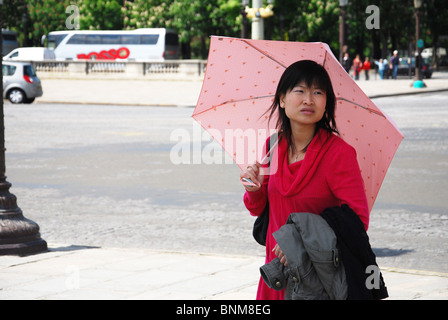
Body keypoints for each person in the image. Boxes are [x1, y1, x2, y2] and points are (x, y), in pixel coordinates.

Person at [239, 60, 370, 300]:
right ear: (282, 99)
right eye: (299, 90)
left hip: (315, 278)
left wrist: (298, 239)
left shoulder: (339, 153)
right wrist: (254, 188)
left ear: (326, 103)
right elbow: (258, 208)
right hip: (275, 273)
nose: (309, 99)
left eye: (318, 92)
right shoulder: (273, 145)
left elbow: (357, 220)